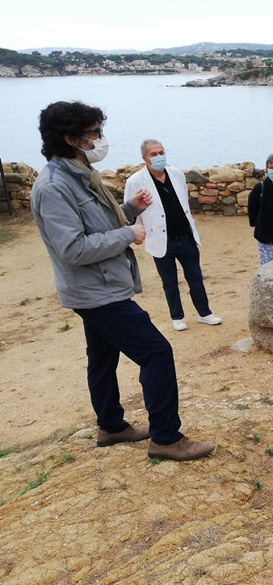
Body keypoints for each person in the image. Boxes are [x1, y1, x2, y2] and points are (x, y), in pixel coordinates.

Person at [30, 101, 213, 461]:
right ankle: (166, 438)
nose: (101, 139)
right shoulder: (54, 186)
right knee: (156, 352)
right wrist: (129, 234)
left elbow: (92, 225)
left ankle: (111, 426)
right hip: (95, 291)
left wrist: (129, 210)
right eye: (94, 133)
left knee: (101, 357)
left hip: (98, 287)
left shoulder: (77, 172)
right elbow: (73, 249)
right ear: (70, 138)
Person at [124, 139, 222, 331]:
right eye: (154, 154)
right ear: (145, 158)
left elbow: (183, 201)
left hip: (185, 237)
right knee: (169, 282)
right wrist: (136, 232)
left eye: (161, 152)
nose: (159, 157)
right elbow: (130, 210)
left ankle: (205, 313)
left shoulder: (176, 174)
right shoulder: (134, 181)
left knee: (195, 277)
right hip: (161, 240)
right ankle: (177, 317)